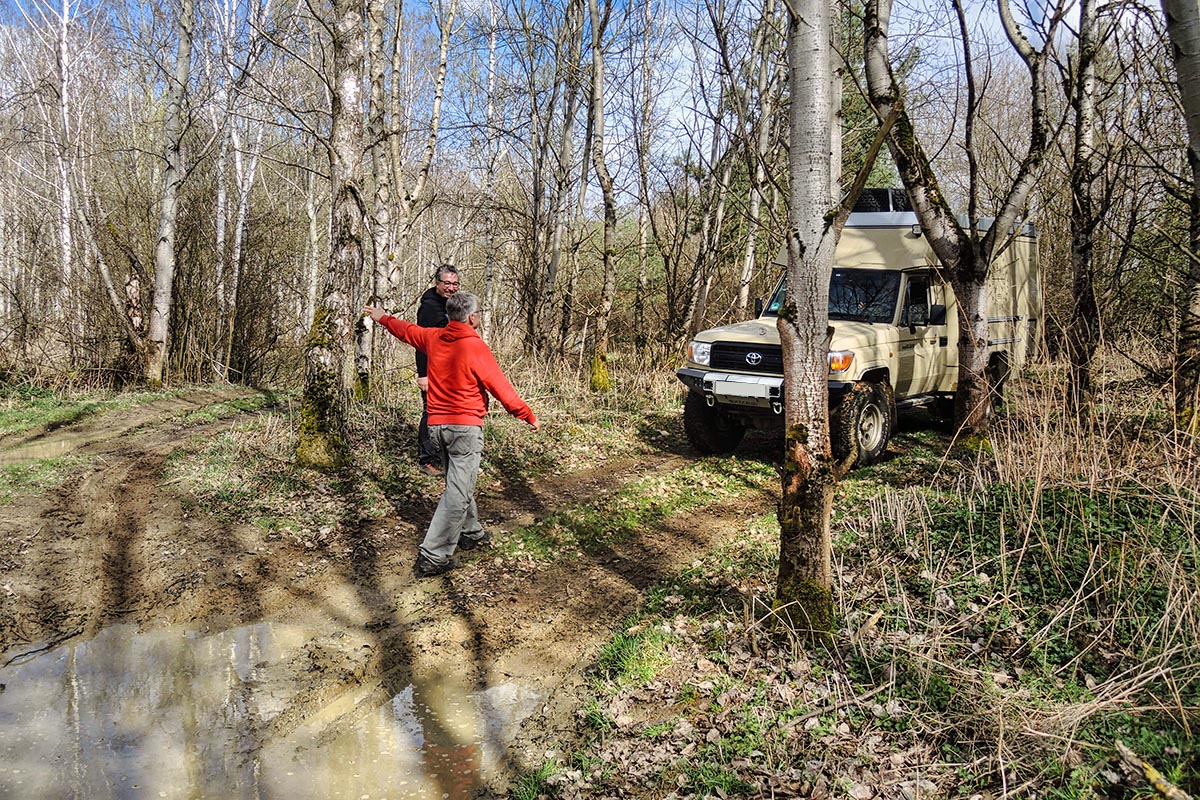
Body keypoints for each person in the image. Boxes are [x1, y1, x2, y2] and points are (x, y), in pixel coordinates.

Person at [365, 293, 540, 578]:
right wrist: (527, 415)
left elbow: (407, 331)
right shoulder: (475, 347)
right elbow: (500, 387)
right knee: (457, 491)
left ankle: (470, 533)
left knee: (458, 482)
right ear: (472, 317)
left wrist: (383, 318)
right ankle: (433, 556)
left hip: (437, 427)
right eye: (479, 313)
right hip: (465, 429)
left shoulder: (434, 338)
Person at [414, 265, 460, 476]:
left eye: (455, 283)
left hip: (449, 369)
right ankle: (426, 459)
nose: (451, 288)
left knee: (446, 412)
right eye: (447, 283)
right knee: (430, 412)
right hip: (432, 370)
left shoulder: (451, 305)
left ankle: (443, 453)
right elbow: (421, 343)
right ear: (437, 283)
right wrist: (422, 374)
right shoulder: (430, 308)